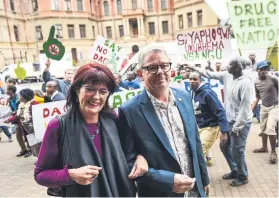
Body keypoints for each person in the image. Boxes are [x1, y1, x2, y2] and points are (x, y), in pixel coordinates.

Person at [34, 63, 148, 197]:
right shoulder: (59, 125)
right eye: (89, 89)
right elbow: (40, 174)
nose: (96, 96)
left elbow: (130, 153)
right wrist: (70, 175)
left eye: (103, 91)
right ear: (77, 90)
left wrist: (141, 158)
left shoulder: (114, 120)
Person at [118, 47, 210, 197]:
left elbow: (195, 143)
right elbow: (128, 163)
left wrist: (204, 180)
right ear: (141, 74)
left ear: (170, 69)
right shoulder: (129, 111)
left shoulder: (185, 97)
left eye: (164, 66)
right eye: (152, 67)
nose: (160, 71)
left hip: (194, 191)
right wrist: (168, 181)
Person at [186, 57, 253, 187]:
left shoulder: (245, 83)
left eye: (230, 64)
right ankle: (235, 170)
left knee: (237, 149)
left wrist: (236, 129)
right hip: (229, 120)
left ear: (238, 68)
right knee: (224, 146)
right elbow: (209, 74)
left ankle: (243, 176)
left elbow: (245, 109)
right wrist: (194, 67)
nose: (227, 66)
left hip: (241, 122)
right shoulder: (228, 75)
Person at [189, 72, 229, 165]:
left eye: (195, 79)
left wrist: (224, 131)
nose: (191, 81)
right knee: (195, 152)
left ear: (200, 80)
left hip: (211, 128)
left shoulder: (207, 93)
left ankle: (199, 178)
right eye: (190, 79)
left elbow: (220, 111)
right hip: (200, 127)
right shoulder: (194, 92)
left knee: (198, 154)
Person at [252, 61, 278, 164]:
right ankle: (264, 147)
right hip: (264, 107)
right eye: (261, 69)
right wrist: (252, 107)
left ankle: (273, 152)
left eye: (265, 69)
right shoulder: (256, 82)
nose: (263, 71)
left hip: (275, 107)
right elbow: (257, 96)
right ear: (257, 70)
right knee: (262, 128)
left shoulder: (273, 78)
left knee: (270, 128)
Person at [7, 89, 40, 157]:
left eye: (20, 96)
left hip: (34, 130)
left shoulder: (34, 104)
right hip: (27, 129)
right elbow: (18, 115)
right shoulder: (22, 105)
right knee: (33, 145)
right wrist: (8, 120)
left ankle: (40, 160)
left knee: (37, 146)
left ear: (25, 96)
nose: (19, 97)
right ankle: (38, 159)